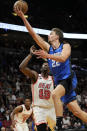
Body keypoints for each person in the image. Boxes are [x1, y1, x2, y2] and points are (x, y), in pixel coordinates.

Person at [14, 7, 87, 131]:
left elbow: (63, 58)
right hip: (60, 82)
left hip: (68, 78)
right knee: (77, 112)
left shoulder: (65, 46)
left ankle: (58, 124)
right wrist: (22, 17)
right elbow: (33, 34)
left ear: (57, 36)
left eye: (51, 33)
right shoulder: (49, 48)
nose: (49, 35)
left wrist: (47, 56)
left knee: (54, 94)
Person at [19, 46, 56, 131]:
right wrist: (30, 55)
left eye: (47, 65)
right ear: (41, 68)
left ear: (50, 68)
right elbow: (21, 67)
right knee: (41, 128)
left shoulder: (53, 78)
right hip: (39, 108)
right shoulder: (35, 76)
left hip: (51, 108)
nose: (46, 65)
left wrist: (50, 57)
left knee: (53, 129)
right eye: (44, 64)